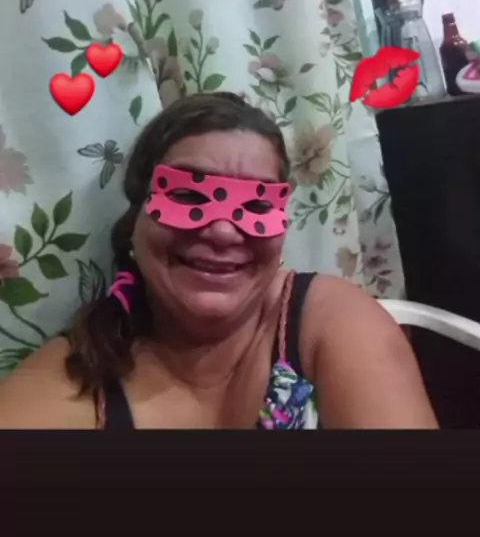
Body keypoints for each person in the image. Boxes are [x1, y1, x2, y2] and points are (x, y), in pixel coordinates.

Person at [0, 92, 438, 429]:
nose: (224, 232)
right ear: (136, 218)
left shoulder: (329, 321)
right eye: (187, 196)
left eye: (257, 205)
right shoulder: (75, 375)